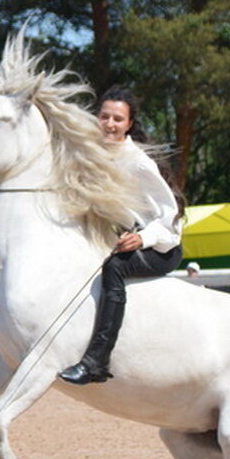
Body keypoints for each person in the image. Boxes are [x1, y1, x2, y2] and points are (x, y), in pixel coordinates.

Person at [58, 86, 183, 385]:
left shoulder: (138, 162)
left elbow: (171, 220)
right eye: (104, 116)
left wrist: (143, 239)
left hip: (161, 246)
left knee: (115, 267)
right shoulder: (90, 153)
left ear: (129, 124)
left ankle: (97, 361)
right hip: (116, 239)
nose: (110, 124)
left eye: (117, 119)